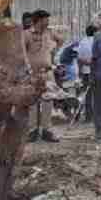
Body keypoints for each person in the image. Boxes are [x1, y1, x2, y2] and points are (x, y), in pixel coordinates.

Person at [25, 9, 65, 143]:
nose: (48, 22)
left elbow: (61, 40)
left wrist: (53, 52)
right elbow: (22, 52)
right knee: (33, 102)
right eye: (46, 20)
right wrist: (27, 68)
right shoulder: (27, 34)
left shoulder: (49, 33)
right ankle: (32, 131)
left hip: (47, 72)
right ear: (39, 20)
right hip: (33, 74)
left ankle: (47, 130)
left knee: (48, 101)